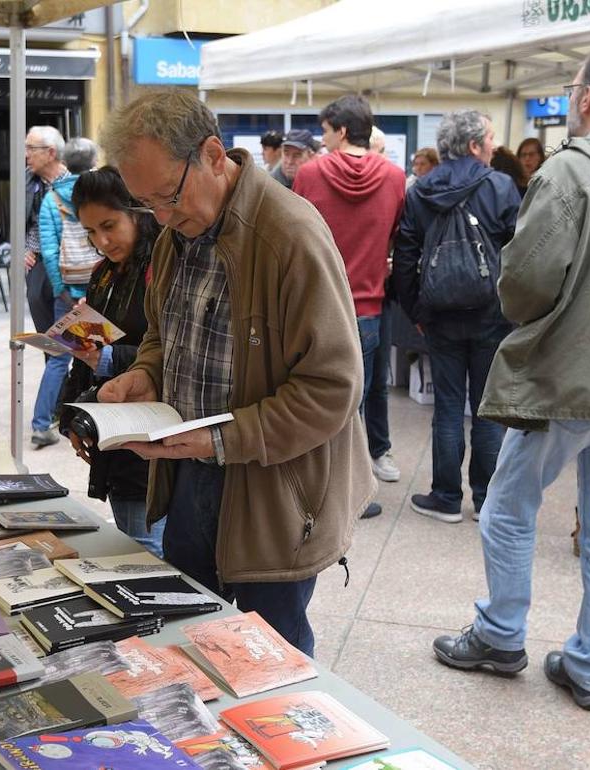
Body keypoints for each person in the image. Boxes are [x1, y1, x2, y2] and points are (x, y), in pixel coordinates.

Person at [432, 45, 590, 712]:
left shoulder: (571, 171)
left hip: (571, 376)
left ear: (586, 98)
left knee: (507, 507)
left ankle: (500, 635)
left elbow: (523, 284)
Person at [97, 90, 374, 655]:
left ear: (212, 155)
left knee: (271, 659)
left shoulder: (289, 235)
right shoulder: (177, 233)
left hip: (275, 493)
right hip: (190, 476)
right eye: (146, 204)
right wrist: (146, 373)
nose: (162, 217)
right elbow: (163, 333)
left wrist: (223, 437)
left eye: (167, 196)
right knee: (191, 642)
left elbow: (333, 388)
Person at [392, 110, 521, 523]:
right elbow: (521, 252)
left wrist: (416, 309)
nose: (495, 145)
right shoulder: (500, 186)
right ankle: (487, 500)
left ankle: (446, 497)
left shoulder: (421, 191)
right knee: (487, 408)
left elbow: (404, 256)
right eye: (490, 138)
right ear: (473, 145)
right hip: (491, 315)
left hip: (439, 315)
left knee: (447, 406)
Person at [293, 94, 406, 519]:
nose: (322, 138)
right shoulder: (395, 177)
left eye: (325, 130)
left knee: (320, 402)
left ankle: (330, 493)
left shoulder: (309, 174)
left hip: (317, 304)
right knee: (359, 400)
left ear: (341, 131)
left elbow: (296, 234)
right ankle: (353, 491)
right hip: (368, 306)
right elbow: (395, 235)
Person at [58, 166, 164, 557]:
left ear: (137, 212)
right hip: (112, 434)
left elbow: (175, 355)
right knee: (132, 544)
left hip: (152, 440)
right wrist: (73, 416)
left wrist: (109, 358)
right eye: (90, 232)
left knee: (147, 552)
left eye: (109, 226)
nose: (101, 241)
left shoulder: (163, 268)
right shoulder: (104, 273)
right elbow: (86, 353)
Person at [33, 140, 98, 449]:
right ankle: (97, 420)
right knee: (100, 355)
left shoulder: (51, 198)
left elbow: (48, 251)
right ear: (93, 160)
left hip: (69, 290)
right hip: (100, 285)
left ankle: (40, 424)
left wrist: (62, 291)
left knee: (58, 359)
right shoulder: (99, 191)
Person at [25, 126, 68, 341]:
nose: (26, 155)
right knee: (46, 331)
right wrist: (22, 247)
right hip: (39, 260)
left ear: (51, 152)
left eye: (31, 148)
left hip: (71, 262)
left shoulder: (75, 180)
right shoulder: (25, 183)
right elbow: (17, 221)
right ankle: (52, 359)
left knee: (75, 331)